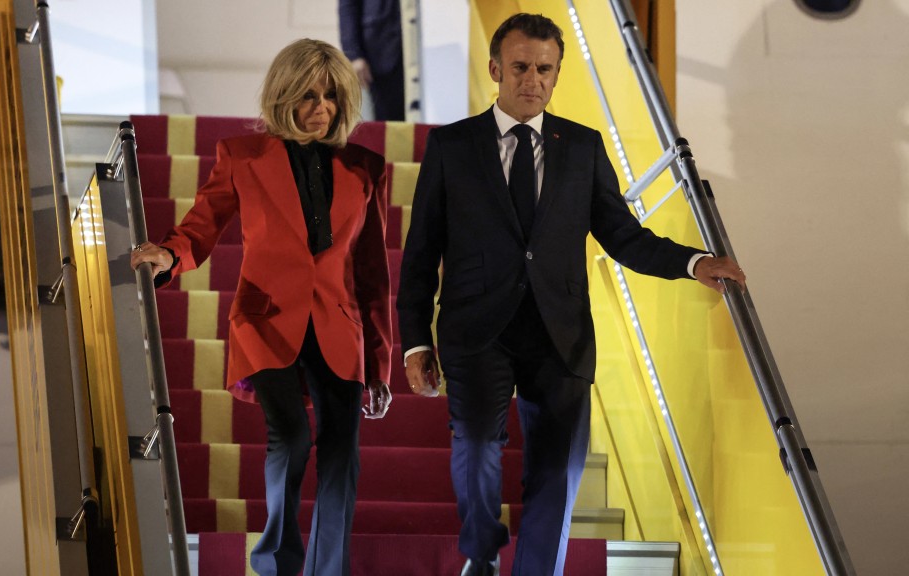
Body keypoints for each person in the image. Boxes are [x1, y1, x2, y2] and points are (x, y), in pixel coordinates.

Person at [396, 13, 746, 576]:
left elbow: (623, 235)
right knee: (477, 451)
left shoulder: (582, 147)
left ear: (556, 73)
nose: (532, 80)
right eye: (520, 67)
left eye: (545, 69)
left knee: (559, 472)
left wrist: (692, 261)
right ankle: (481, 554)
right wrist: (416, 342)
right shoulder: (451, 146)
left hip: (560, 334)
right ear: (495, 69)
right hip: (476, 331)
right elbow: (420, 255)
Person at [131, 39, 393, 576]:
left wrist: (380, 362)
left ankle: (328, 569)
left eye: (331, 96)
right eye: (308, 96)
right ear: (283, 96)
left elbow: (372, 272)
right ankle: (276, 562)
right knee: (291, 437)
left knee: (342, 453)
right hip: (265, 321)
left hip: (339, 326)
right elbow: (201, 226)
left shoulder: (366, 167)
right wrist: (170, 255)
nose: (321, 108)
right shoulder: (242, 156)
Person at [338, 0, 405, 121]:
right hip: (381, 54)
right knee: (388, 124)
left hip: (429, 51)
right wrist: (354, 54)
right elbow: (348, 6)